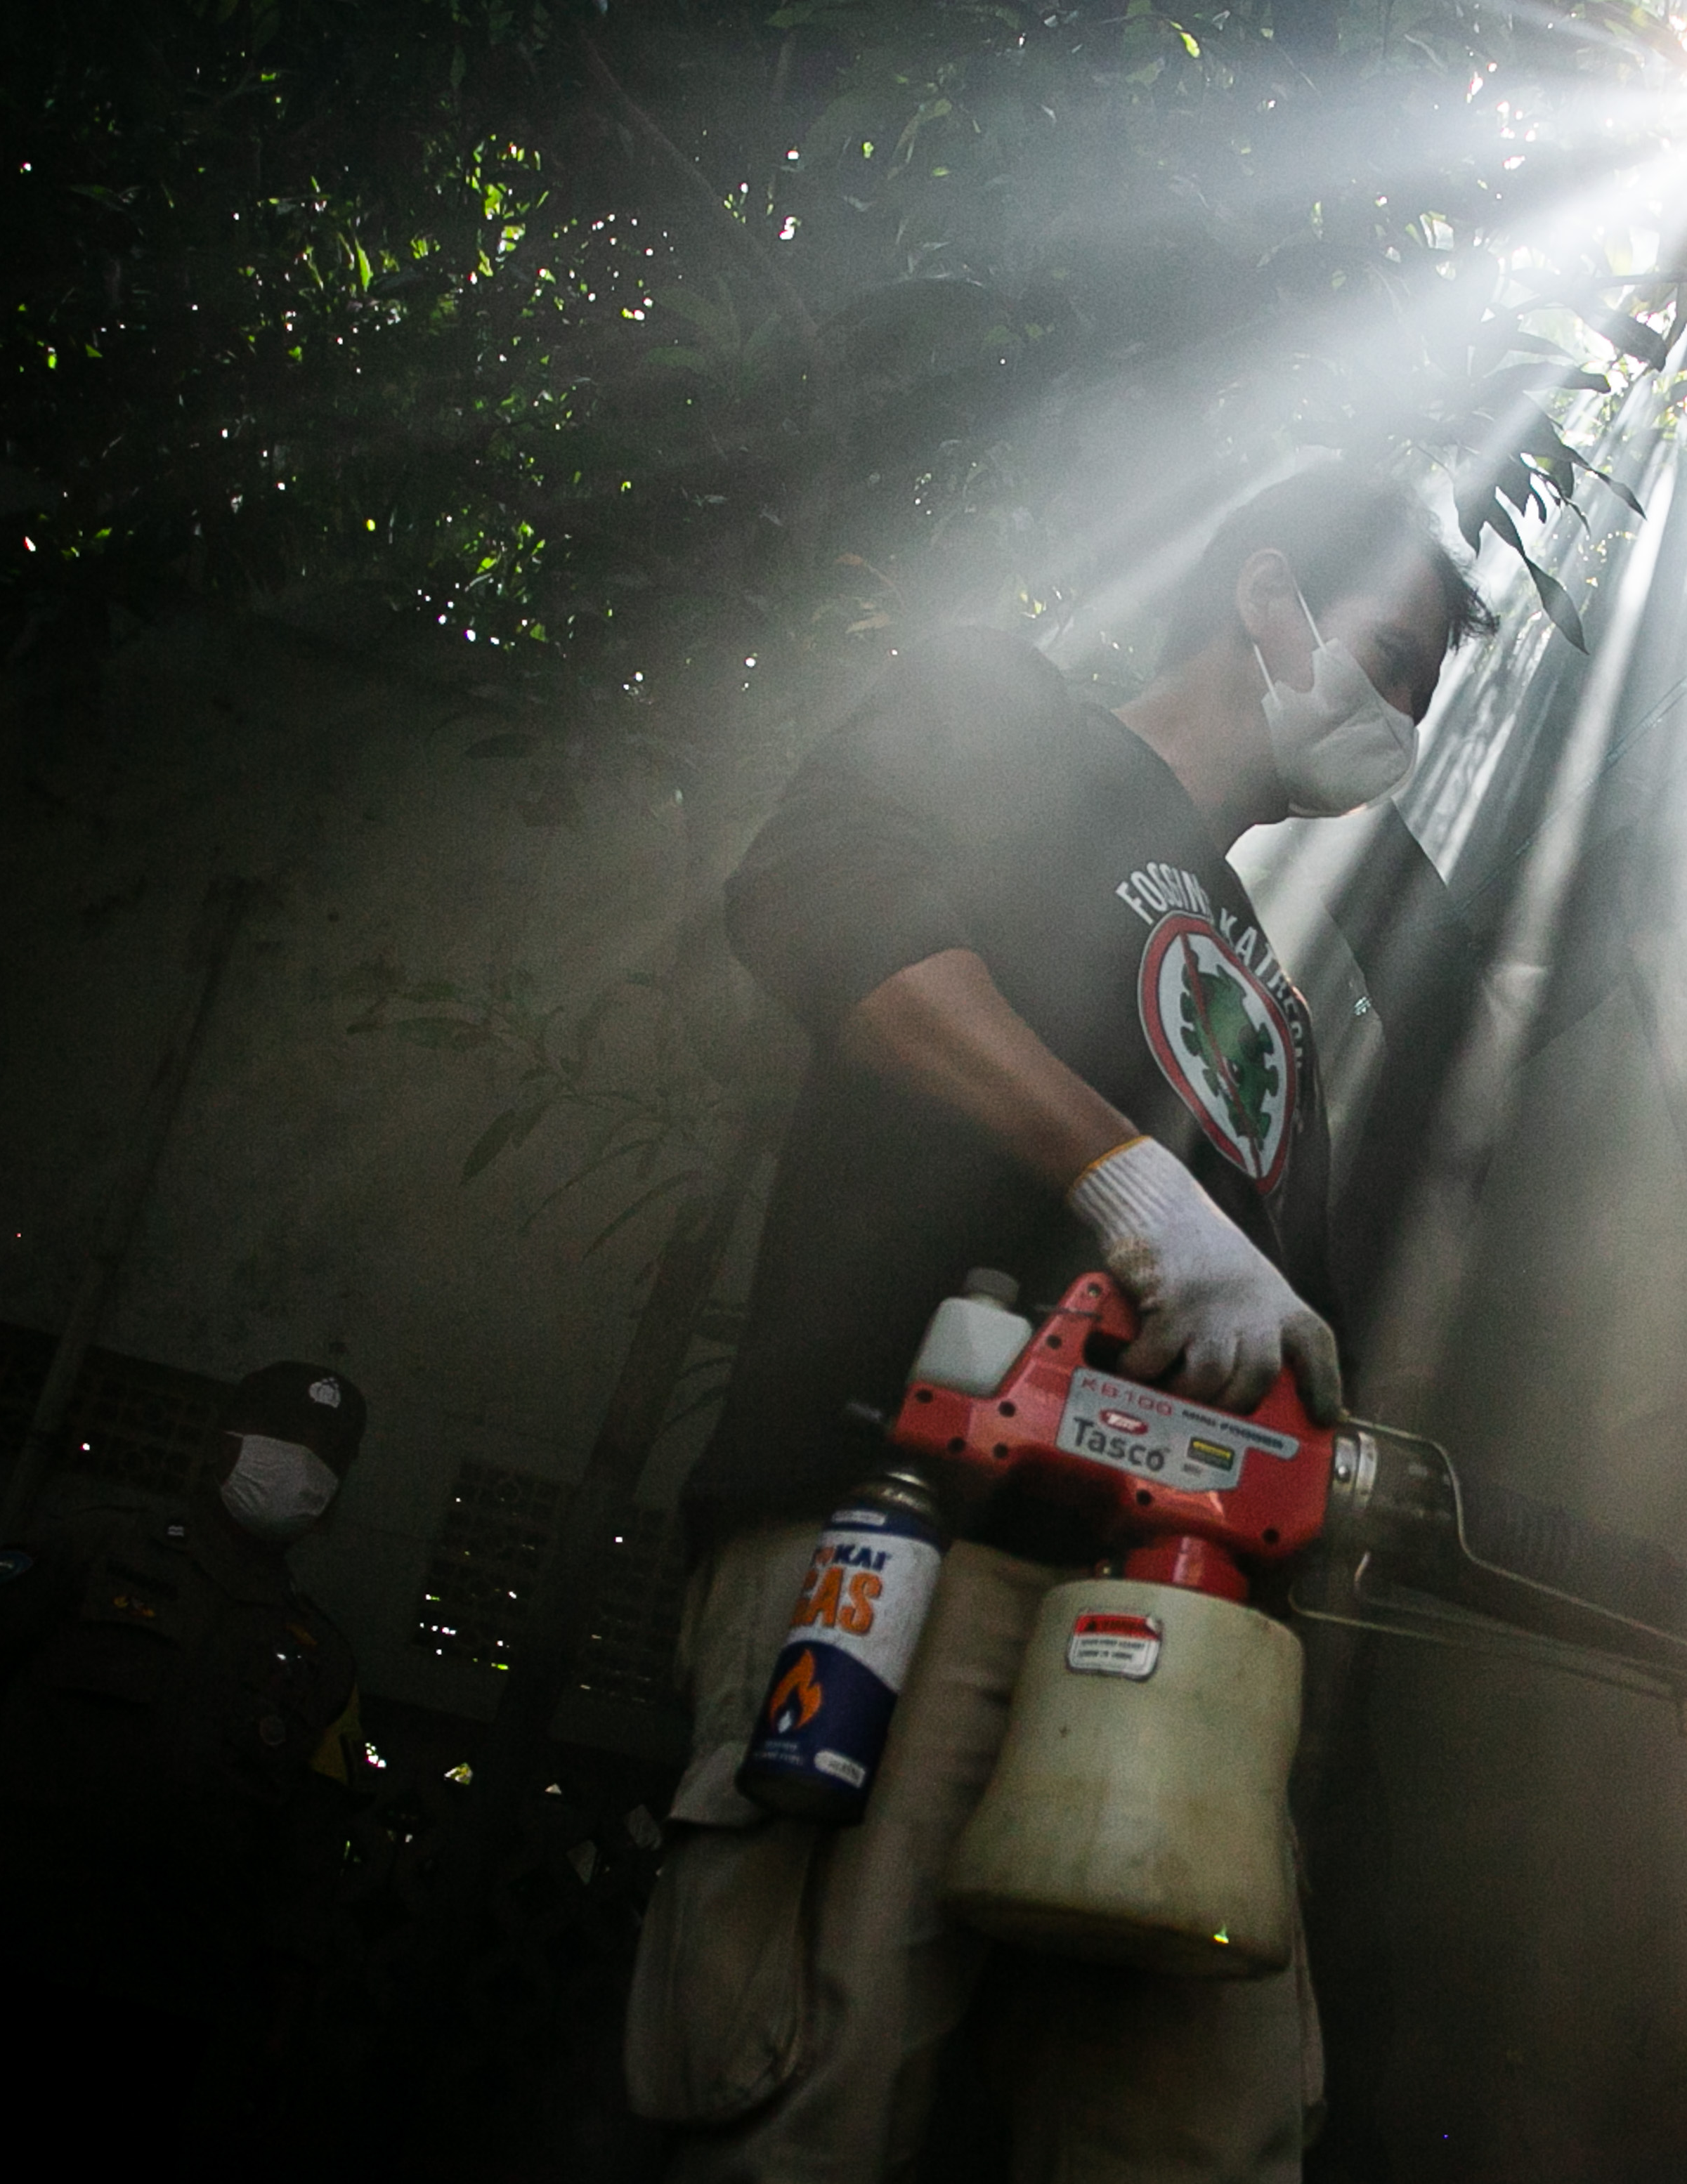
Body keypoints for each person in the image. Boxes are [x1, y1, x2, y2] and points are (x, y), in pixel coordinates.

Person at [629, 466, 1485, 2181]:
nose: (1392, 715)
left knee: (1189, 2127)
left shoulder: (1274, 991)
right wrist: (1126, 1188)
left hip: (1178, 1620)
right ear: (1265, 597)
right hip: (902, 1538)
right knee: (816, 2078)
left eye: (1422, 692)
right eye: (1385, 653)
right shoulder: (997, 714)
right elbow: (823, 905)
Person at [0, 1361, 372, 2167]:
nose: (302, 1467)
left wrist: (282, 2003)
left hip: (154, 2000)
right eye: (286, 1440)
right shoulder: (92, 1548)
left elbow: (306, 1855)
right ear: (224, 1445)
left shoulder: (321, 1662)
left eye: (325, 1457)